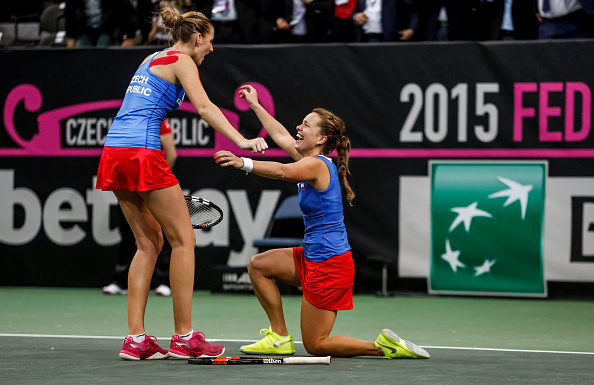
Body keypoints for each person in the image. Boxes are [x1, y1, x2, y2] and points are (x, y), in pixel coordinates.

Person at [96, 8, 268, 360]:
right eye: (210, 42)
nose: (211, 50)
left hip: (114, 150)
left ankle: (136, 339)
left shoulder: (152, 57)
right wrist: (243, 140)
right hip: (142, 149)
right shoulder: (183, 60)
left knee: (148, 242)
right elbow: (204, 108)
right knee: (184, 239)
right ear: (198, 37)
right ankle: (185, 337)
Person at [213, 85, 429, 359]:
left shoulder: (317, 165)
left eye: (306, 125)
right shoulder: (309, 158)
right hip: (314, 256)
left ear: (321, 138)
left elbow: (282, 172)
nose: (298, 128)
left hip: (329, 264)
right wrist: (255, 105)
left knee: (316, 345)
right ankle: (279, 337)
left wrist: (242, 161)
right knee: (258, 266)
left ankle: (382, 346)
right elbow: (279, 134)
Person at [102, 119, 177, 297]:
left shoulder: (158, 120)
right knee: (128, 236)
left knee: (160, 236)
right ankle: (119, 281)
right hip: (129, 185)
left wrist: (157, 179)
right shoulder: (124, 120)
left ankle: (165, 282)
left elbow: (171, 153)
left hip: (151, 185)